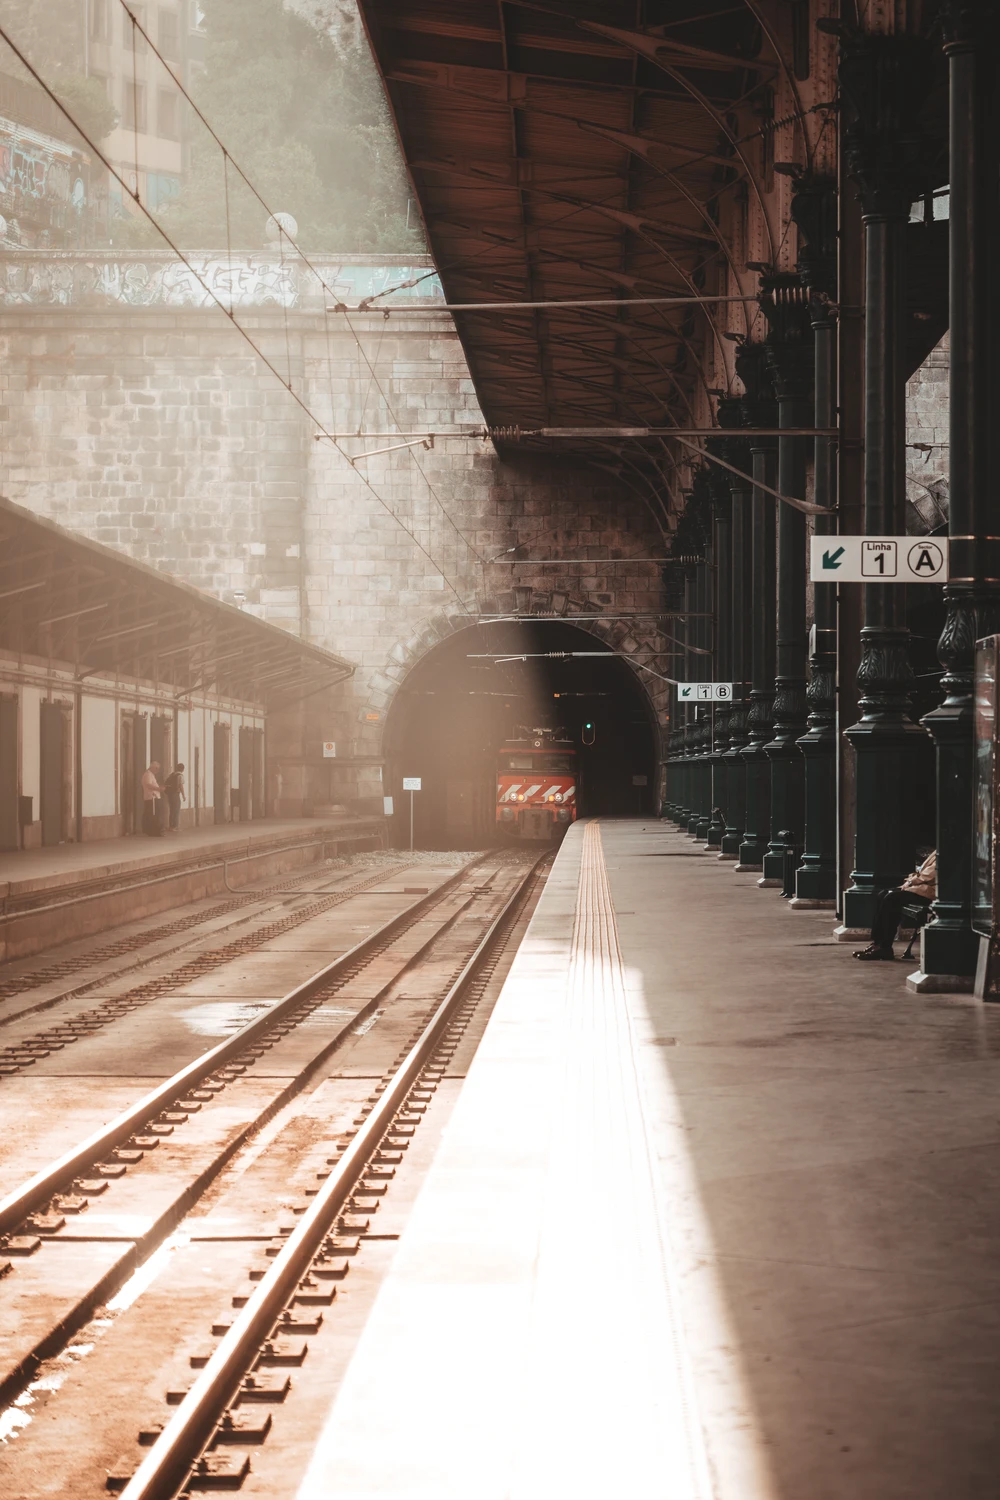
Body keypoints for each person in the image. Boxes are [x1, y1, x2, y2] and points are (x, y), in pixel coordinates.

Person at [853, 850, 937, 961]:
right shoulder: (938, 849)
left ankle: (885, 947)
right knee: (882, 894)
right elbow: (922, 871)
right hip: (919, 888)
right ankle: (877, 943)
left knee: (891, 899)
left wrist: (911, 882)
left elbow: (930, 874)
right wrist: (910, 881)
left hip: (928, 892)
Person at [141, 760, 164, 837]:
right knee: (153, 815)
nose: (157, 770)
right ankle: (154, 831)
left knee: (155, 815)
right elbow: (148, 785)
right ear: (153, 767)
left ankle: (155, 831)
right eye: (157, 768)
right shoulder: (148, 774)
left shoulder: (151, 775)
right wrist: (158, 789)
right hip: (151, 797)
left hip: (154, 797)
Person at [162, 763, 186, 832]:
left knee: (172, 810)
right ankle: (175, 827)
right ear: (183, 769)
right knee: (176, 810)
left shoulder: (172, 774)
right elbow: (181, 786)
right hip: (175, 794)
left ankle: (171, 826)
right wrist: (183, 795)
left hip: (170, 794)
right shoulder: (180, 776)